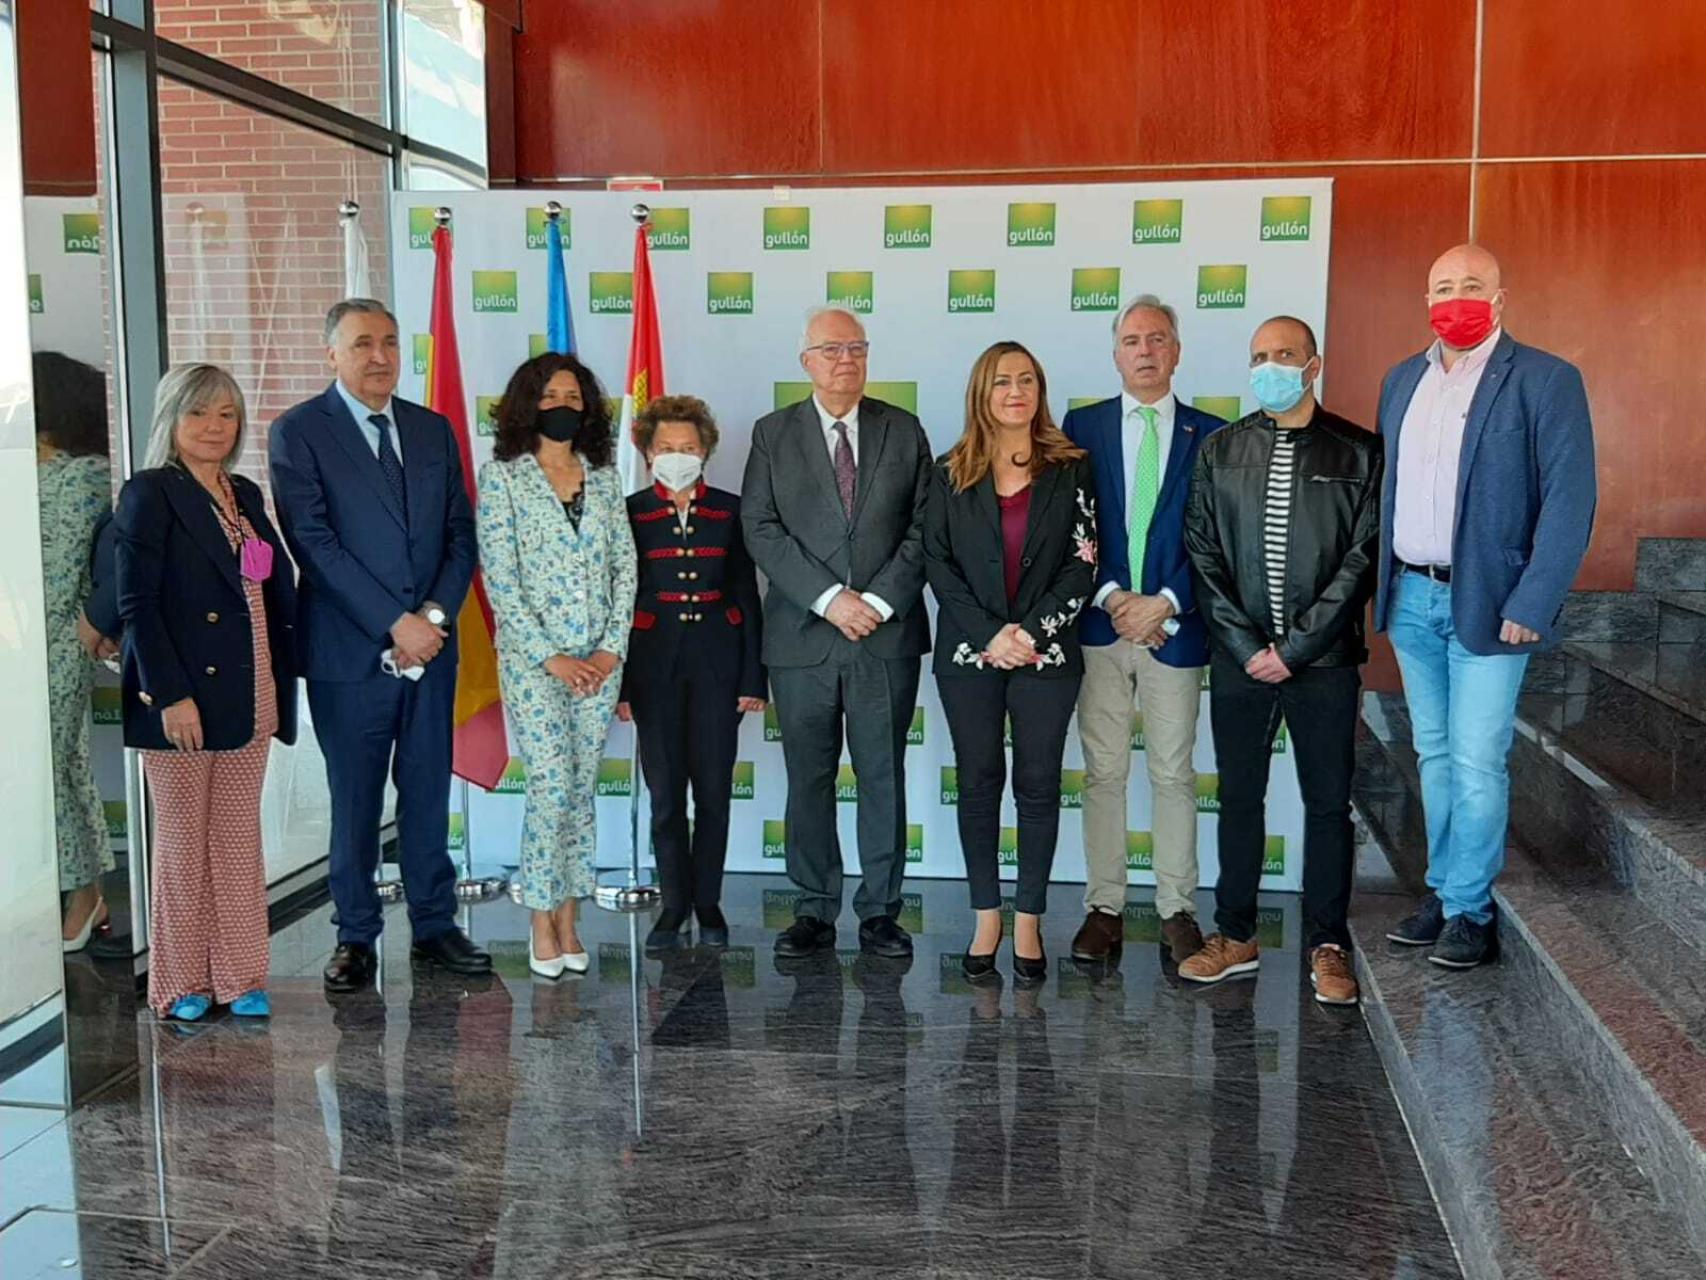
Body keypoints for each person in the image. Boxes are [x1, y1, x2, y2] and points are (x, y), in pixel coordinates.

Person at [1375, 244, 1596, 969]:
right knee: (1434, 754)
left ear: (1499, 299)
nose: (1456, 297)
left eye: (1472, 285)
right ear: (1426, 299)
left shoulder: (1545, 380)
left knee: (1476, 759)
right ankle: (1444, 891)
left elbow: (1570, 498)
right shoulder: (1402, 381)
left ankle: (1470, 909)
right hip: (1411, 596)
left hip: (1493, 602)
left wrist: (1535, 597)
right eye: (1443, 286)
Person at [269, 298, 487, 993]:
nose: (380, 357)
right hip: (348, 652)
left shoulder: (431, 429)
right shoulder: (298, 432)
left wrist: (429, 617)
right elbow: (314, 544)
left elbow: (459, 534)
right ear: (330, 354)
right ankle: (355, 934)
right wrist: (395, 624)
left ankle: (434, 924)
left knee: (426, 791)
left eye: (390, 343)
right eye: (362, 344)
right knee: (356, 799)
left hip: (432, 644)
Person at [1180, 317, 1381, 1005]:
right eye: (1260, 357)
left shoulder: (1359, 452)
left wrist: (1295, 650)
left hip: (1323, 664)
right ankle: (1234, 934)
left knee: (1327, 804)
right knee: (1239, 797)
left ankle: (1328, 944)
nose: (1271, 368)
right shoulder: (1219, 451)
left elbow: (1361, 563)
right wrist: (1247, 648)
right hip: (1240, 662)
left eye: (1284, 356)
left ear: (1313, 365)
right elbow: (1203, 557)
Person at [742, 307, 933, 959]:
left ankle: (881, 911)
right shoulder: (772, 435)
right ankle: (814, 909)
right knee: (809, 777)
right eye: (830, 349)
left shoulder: (903, 431)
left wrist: (874, 600)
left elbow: (923, 528)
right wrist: (830, 600)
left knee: (883, 774)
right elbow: (760, 527)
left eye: (856, 347)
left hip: (883, 637)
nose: (845, 359)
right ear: (806, 362)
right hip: (803, 638)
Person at [114, 364, 298, 1019]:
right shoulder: (149, 494)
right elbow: (137, 603)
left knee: (237, 838)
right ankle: (181, 983)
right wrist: (169, 695)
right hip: (184, 699)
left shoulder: (242, 491)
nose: (215, 427)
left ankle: (241, 977)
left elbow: (269, 586)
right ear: (171, 419)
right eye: (199, 414)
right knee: (185, 841)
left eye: (226, 414)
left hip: (253, 689)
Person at [923, 341, 1096, 984]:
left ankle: (1028, 918)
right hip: (969, 653)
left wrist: (1030, 632)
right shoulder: (948, 471)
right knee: (978, 783)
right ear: (982, 393)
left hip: (1048, 655)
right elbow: (936, 563)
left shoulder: (1070, 467)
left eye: (1026, 379)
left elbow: (1084, 560)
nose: (1015, 391)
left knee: (1038, 786)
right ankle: (985, 917)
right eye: (1001, 381)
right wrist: (992, 634)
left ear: (1039, 390)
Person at [1061, 295, 1223, 967]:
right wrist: (1111, 596)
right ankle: (1104, 907)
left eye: (1158, 338)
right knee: (1102, 772)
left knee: (1172, 773)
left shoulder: (1212, 433)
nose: (1146, 350)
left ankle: (1177, 909)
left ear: (1177, 351)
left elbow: (1216, 539)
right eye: (1132, 340)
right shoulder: (1083, 425)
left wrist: (1164, 601)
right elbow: (1069, 524)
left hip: (1175, 631)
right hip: (1101, 625)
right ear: (1116, 352)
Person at [476, 353, 636, 979]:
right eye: (549, 396)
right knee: (550, 785)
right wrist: (553, 657)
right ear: (526, 405)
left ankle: (572, 915)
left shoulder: (601, 478)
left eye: (573, 395)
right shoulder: (504, 479)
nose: (562, 405)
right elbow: (502, 580)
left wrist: (608, 648)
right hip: (535, 662)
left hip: (600, 660)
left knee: (581, 787)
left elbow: (625, 568)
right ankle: (540, 916)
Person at [613, 395, 765, 955]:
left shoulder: (730, 510)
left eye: (689, 448)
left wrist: (754, 678)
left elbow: (748, 597)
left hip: (718, 665)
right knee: (665, 796)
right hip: (652, 668)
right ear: (648, 452)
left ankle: (709, 901)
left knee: (715, 792)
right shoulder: (627, 512)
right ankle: (674, 903)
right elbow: (619, 604)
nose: (678, 456)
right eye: (667, 448)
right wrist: (624, 687)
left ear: (706, 451)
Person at [33, 351, 118, 951]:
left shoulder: (79, 476)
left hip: (55, 640)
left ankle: (82, 891)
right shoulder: (34, 473)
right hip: (27, 642)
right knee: (59, 768)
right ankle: (84, 888)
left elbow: (57, 574)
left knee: (52, 769)